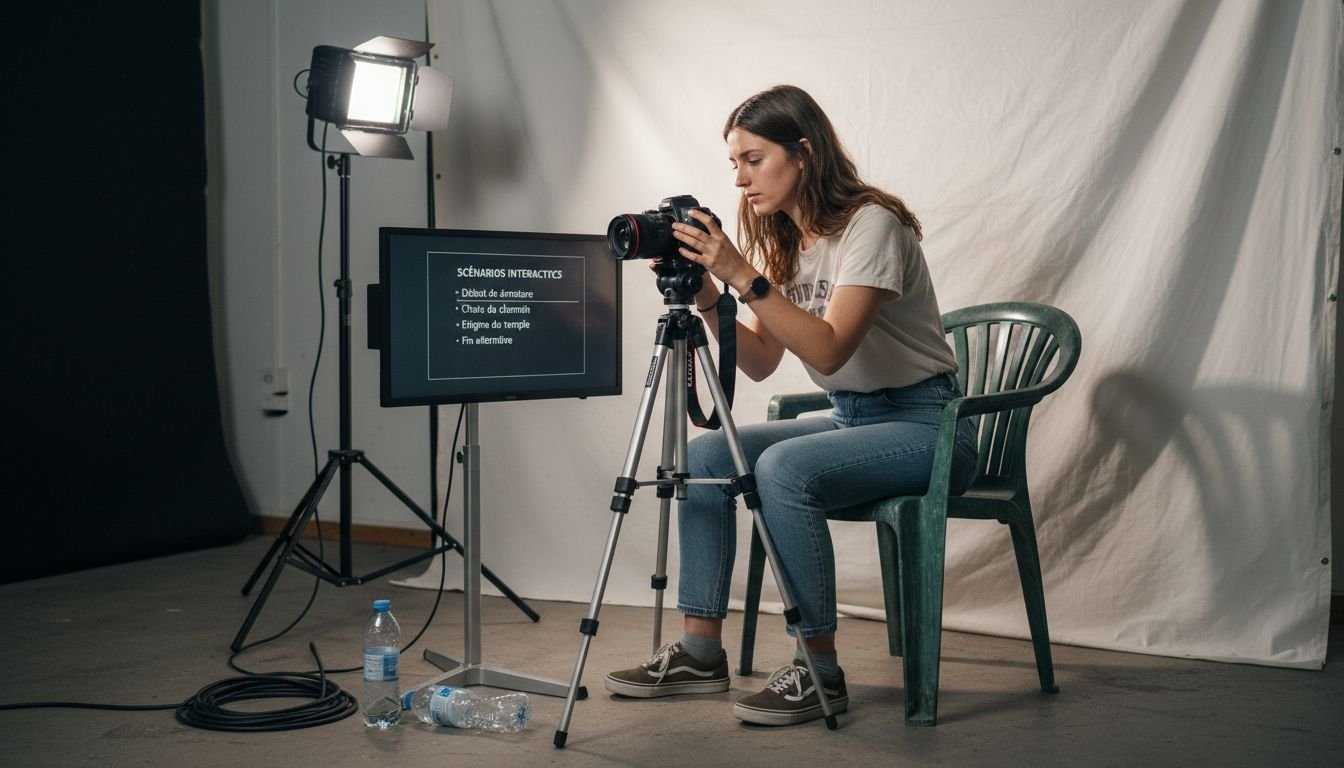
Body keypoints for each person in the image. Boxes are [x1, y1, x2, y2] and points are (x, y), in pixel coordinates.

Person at [604, 85, 979, 726]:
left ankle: (818, 670)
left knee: (784, 470)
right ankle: (699, 653)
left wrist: (742, 274)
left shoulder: (871, 226)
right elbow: (760, 358)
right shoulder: (787, 240)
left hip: (928, 426)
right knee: (705, 453)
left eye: (754, 159)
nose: (742, 179)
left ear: (802, 152)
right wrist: (706, 296)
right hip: (851, 419)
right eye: (734, 165)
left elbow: (828, 352)